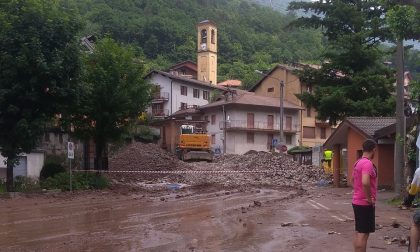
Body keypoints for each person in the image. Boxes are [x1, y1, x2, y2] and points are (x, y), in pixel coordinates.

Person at [352, 139, 377, 252]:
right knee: (363, 234)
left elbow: (352, 180)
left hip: (356, 201)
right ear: (373, 150)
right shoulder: (367, 163)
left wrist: (358, 191)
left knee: (359, 232)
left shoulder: (357, 163)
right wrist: (368, 198)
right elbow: (365, 182)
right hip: (364, 203)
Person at [402, 168, 420, 251]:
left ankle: (414, 250)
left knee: (416, 223)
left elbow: (413, 191)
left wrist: (407, 202)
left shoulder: (419, 171)